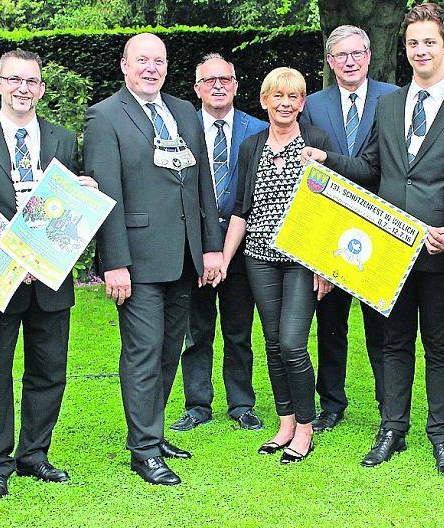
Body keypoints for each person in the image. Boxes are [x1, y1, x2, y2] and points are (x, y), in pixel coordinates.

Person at [302, 2, 444, 473]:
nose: (420, 50)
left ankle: (442, 437)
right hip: (390, 249)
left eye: (429, 42)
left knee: (440, 345)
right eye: (412, 43)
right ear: (404, 49)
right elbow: (372, 168)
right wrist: (327, 160)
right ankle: (392, 429)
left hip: (440, 250)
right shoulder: (387, 105)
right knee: (393, 342)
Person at [0, 49, 95, 499]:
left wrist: (85, 190)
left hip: (50, 277)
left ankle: (35, 454)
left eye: (31, 81)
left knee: (49, 370)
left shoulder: (63, 139)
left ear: (42, 89)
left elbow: (68, 207)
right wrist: (12, 258)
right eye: (14, 79)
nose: (23, 88)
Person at [83, 33, 223, 486]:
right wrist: (114, 262)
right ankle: (143, 450)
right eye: (142, 60)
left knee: (168, 350)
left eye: (158, 61)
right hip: (137, 260)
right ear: (125, 65)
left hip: (182, 257)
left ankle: (153, 432)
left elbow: (202, 184)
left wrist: (210, 245)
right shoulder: (105, 116)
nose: (151, 68)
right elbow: (106, 194)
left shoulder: (183, 111)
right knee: (143, 352)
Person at [221, 66, 335, 464]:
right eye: (277, 96)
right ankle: (285, 424)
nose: (284, 104)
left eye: (293, 97)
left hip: (301, 261)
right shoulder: (251, 146)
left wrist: (324, 264)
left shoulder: (317, 142)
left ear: (302, 103)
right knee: (272, 343)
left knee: (292, 343)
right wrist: (224, 259)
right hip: (259, 258)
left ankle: (305, 428)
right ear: (264, 100)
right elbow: (241, 208)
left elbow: (331, 209)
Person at [298, 25, 397, 432]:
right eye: (341, 55)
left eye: (357, 53)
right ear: (330, 61)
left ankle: (389, 407)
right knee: (330, 322)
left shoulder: (394, 99)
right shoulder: (312, 105)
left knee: (383, 326)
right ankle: (332, 403)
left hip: (381, 226)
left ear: (369, 56)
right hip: (331, 226)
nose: (350, 61)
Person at [170, 53, 268, 433]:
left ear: (236, 85)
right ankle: (197, 405)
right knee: (196, 331)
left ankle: (241, 404)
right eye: (209, 80)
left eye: (225, 79)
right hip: (195, 248)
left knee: (239, 331)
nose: (218, 86)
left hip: (243, 248)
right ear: (197, 89)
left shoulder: (258, 129)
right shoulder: (180, 130)